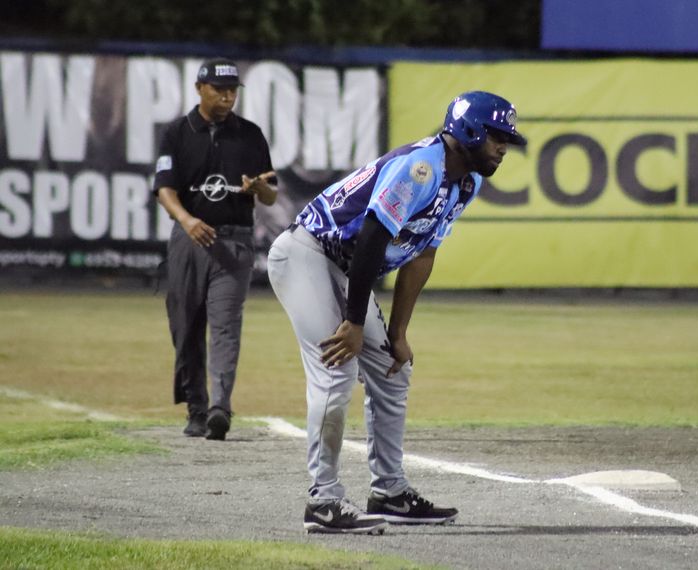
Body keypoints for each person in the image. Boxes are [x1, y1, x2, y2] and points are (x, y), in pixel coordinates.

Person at [267, 91, 527, 534]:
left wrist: (399, 332)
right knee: (336, 369)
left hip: (346, 269)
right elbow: (371, 237)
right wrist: (352, 322)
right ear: (468, 131)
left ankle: (389, 492)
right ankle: (323, 502)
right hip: (307, 253)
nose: (503, 147)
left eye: (506, 139)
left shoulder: (467, 180)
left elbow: (422, 254)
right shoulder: (421, 167)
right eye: (496, 136)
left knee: (393, 368)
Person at [153, 57, 278, 441]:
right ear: (199, 89)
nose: (227, 97)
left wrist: (258, 188)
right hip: (190, 239)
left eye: (232, 91)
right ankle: (196, 407)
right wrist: (187, 221)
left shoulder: (250, 134)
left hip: (234, 241)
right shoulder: (177, 132)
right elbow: (164, 189)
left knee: (226, 326)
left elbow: (271, 195)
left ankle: (220, 408)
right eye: (219, 90)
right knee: (186, 325)